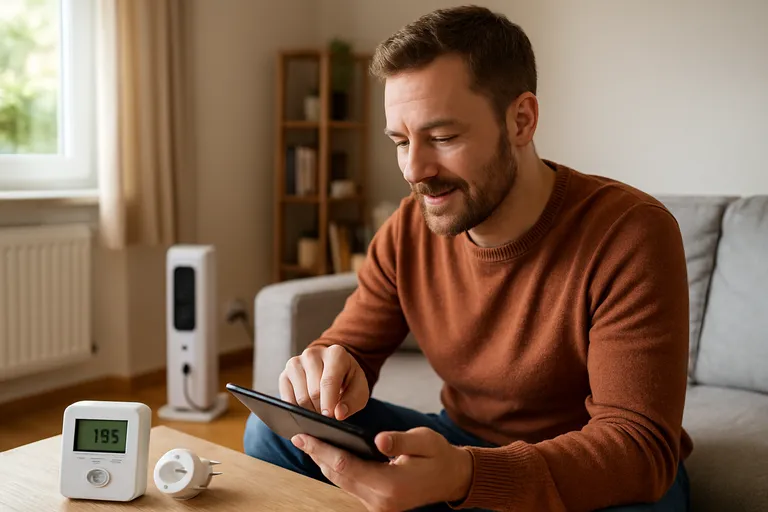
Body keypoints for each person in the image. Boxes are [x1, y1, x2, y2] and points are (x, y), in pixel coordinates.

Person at [244, 5, 693, 512]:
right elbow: (351, 347)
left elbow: (637, 449)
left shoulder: (629, 231)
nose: (415, 169)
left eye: (442, 137)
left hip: (587, 466)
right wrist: (326, 369)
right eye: (400, 141)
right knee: (273, 429)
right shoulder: (408, 229)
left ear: (521, 120)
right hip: (461, 440)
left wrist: (466, 477)